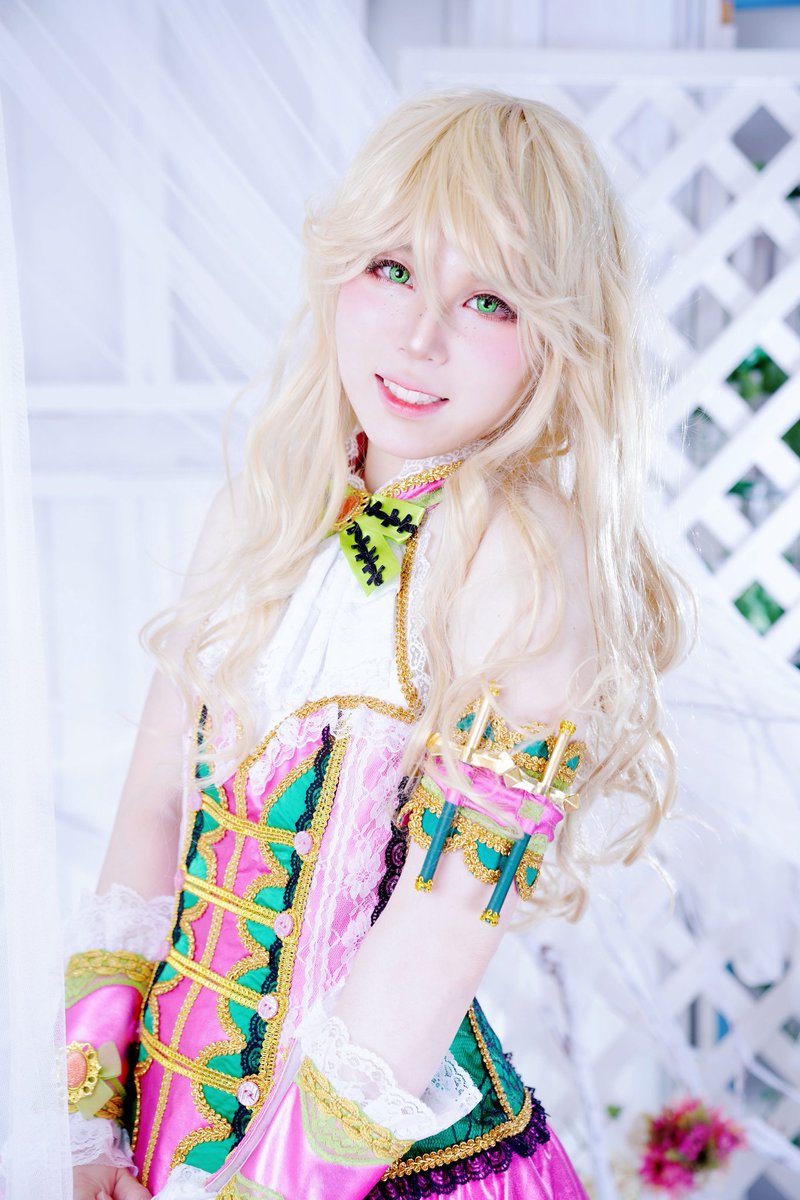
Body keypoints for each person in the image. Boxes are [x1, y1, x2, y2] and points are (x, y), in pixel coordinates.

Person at [64, 89, 688, 1200]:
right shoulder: (262, 511)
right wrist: (93, 1125)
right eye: (392, 269)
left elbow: (445, 920)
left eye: (487, 299)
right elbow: (153, 805)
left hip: (365, 1169)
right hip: (159, 1147)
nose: (419, 337)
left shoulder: (521, 557)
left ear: (558, 336)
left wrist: (267, 1191)